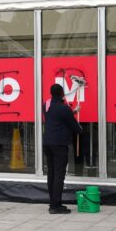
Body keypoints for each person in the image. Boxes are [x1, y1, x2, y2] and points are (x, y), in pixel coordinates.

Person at [43, 84, 82, 214]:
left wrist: (73, 111)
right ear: (62, 94)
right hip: (59, 145)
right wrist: (80, 129)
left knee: (52, 174)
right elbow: (74, 126)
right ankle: (56, 206)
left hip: (47, 144)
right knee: (59, 175)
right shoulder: (64, 108)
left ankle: (53, 203)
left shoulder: (46, 105)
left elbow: (57, 116)